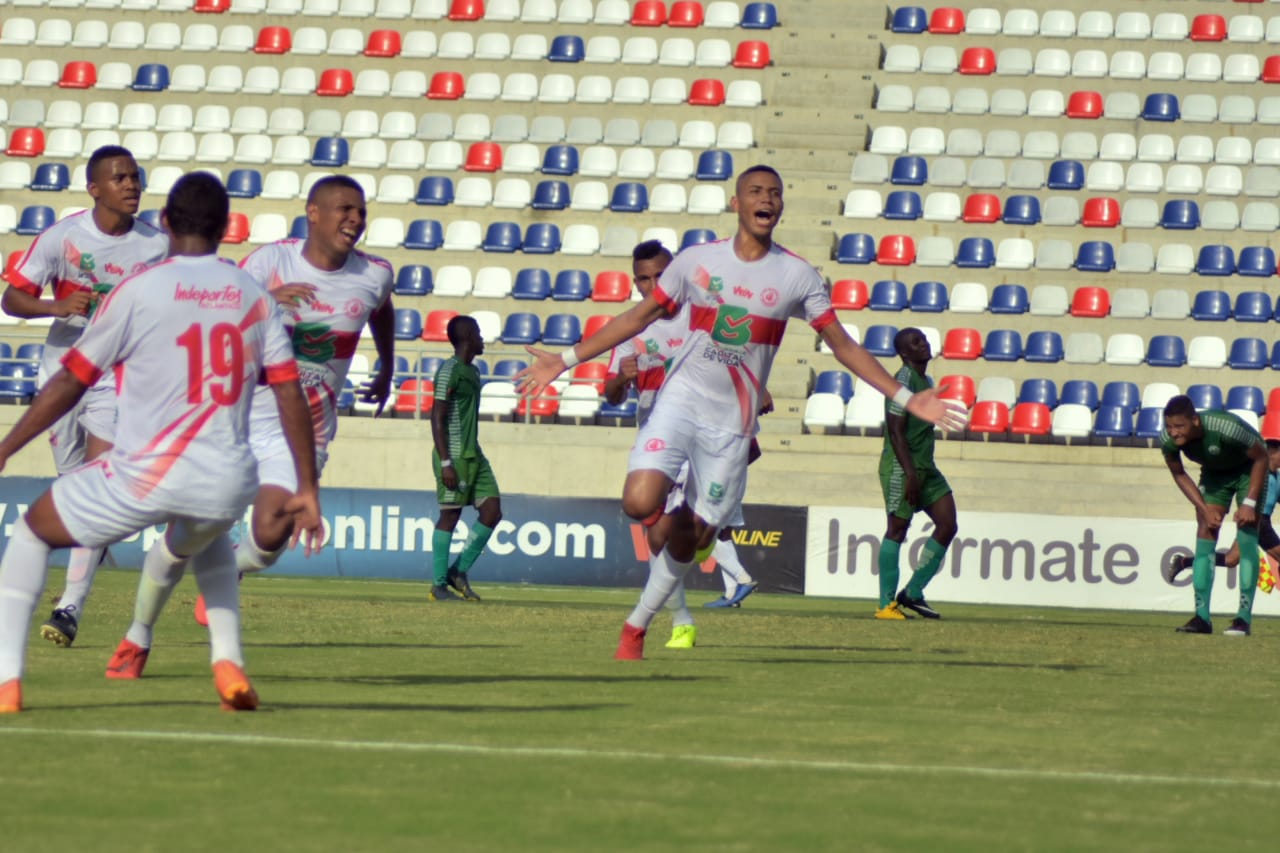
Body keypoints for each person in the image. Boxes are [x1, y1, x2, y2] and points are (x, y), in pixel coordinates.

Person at [518, 165, 965, 659]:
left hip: (730, 427)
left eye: (775, 192)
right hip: (680, 402)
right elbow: (636, 316)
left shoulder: (797, 276)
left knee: (687, 540)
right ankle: (689, 549)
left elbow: (841, 344)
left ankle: (637, 626)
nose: (766, 198)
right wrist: (564, 360)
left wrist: (905, 396)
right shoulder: (695, 262)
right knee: (639, 504)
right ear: (737, 203)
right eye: (755, 190)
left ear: (780, 207)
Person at [0, 172, 323, 714]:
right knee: (209, 535)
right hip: (227, 481)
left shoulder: (140, 288)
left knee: (32, 533)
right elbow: (290, 391)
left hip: (145, 475)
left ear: (167, 222)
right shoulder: (251, 294)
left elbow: (73, 378)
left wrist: (8, 444)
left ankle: (7, 679)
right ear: (225, 227)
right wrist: (307, 484)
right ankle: (227, 661)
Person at [190, 175, 396, 625]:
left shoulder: (375, 273)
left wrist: (387, 364)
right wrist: (264, 300)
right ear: (314, 213)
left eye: (361, 211)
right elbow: (217, 318)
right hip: (241, 417)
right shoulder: (270, 261)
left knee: (269, 538)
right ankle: (141, 629)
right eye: (345, 209)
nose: (356, 219)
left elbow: (380, 308)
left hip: (303, 432)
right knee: (193, 524)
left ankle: (233, 568)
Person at [1, 146, 168, 648]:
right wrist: (54, 304)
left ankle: (69, 605)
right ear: (94, 189)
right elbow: (11, 296)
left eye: (135, 177)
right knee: (73, 483)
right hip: (62, 372)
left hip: (116, 377)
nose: (131, 185)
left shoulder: (157, 246)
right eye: (119, 178)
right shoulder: (63, 237)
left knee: (96, 485)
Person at [602, 240, 757, 650]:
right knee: (660, 536)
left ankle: (660, 623)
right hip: (659, 438)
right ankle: (681, 619)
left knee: (677, 536)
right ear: (635, 282)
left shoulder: (702, 316)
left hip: (703, 436)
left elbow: (736, 366)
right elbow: (612, 395)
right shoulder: (633, 328)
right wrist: (621, 377)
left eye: (660, 275)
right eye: (644, 278)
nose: (653, 284)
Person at [1160, 395, 1267, 636]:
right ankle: (1202, 618)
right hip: (1215, 475)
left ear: (1195, 421)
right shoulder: (1167, 441)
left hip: (1249, 471)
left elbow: (1262, 457)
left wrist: (1249, 502)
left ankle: (1243, 618)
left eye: (1179, 426)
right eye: (1169, 426)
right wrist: (1203, 508)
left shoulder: (1226, 427)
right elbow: (1179, 474)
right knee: (1205, 528)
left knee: (1247, 532)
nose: (1173, 433)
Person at [876, 327, 958, 621]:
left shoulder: (926, 381)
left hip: (926, 467)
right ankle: (885, 605)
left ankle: (912, 592)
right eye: (916, 342)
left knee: (947, 524)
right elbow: (895, 431)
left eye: (923, 339)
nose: (923, 344)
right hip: (903, 467)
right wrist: (909, 473)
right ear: (904, 353)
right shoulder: (902, 381)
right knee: (897, 530)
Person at [428, 314, 501, 602]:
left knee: (492, 511)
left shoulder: (474, 371)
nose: (483, 339)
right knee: (450, 516)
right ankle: (438, 585)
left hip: (475, 454)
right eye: (479, 333)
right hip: (454, 455)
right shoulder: (449, 371)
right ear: (469, 336)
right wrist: (445, 461)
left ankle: (458, 572)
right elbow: (436, 417)